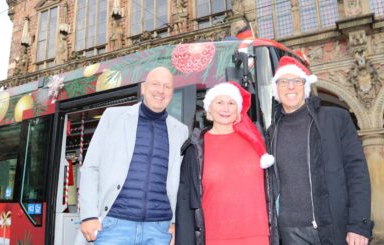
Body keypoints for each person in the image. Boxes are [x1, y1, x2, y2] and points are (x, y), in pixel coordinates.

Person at [76, 66, 189, 245]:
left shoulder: (181, 131)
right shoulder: (113, 117)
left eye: (167, 86)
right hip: (113, 226)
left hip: (159, 230)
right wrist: (88, 215)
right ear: (143, 88)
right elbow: (91, 167)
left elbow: (182, 183)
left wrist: (176, 224)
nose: (161, 90)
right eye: (156, 84)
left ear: (172, 93)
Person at [265, 56, 373, 245]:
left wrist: (359, 224)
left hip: (333, 227)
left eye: (296, 81)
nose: (290, 87)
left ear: (304, 87)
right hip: (289, 232)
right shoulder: (271, 133)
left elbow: (358, 173)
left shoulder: (336, 120)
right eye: (284, 82)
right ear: (276, 89)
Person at [175, 82, 273, 245]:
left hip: (258, 236)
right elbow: (185, 203)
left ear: (238, 110)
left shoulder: (259, 142)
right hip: (214, 238)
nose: (225, 108)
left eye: (231, 103)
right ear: (209, 110)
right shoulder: (196, 149)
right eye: (219, 102)